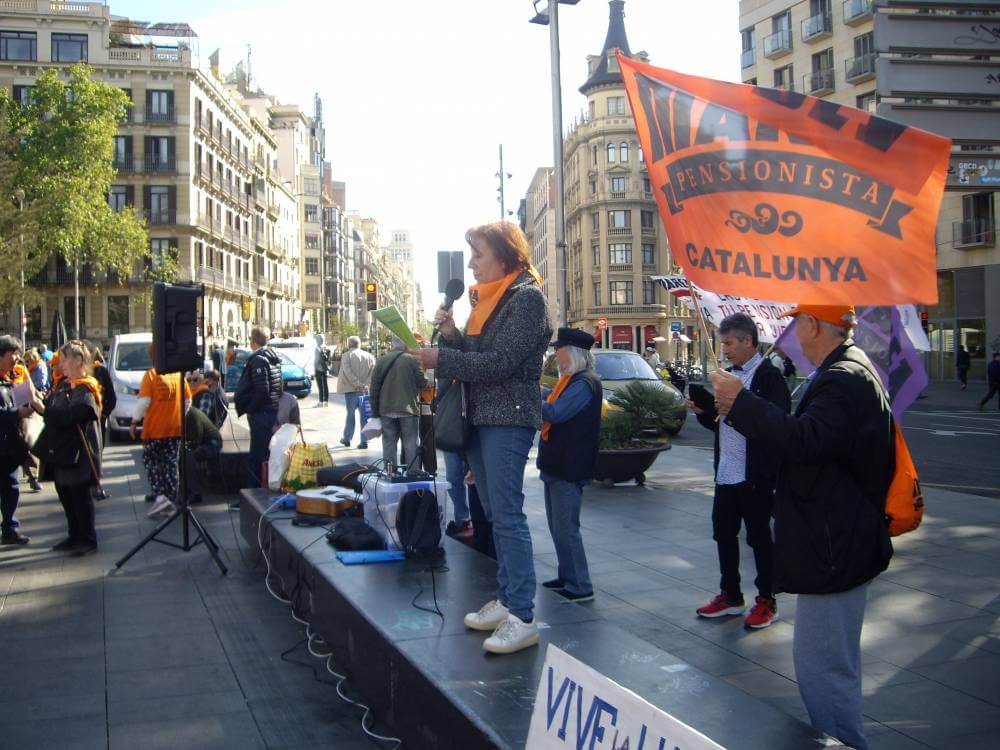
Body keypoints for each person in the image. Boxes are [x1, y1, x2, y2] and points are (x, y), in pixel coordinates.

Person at [711, 304, 893, 750]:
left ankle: (843, 743)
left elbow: (803, 441)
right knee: (829, 663)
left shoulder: (843, 378)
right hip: (840, 539)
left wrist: (742, 402)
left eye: (797, 323)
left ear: (813, 325)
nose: (792, 332)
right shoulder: (844, 370)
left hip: (834, 546)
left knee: (822, 666)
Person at [409, 221, 552, 655]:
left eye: (479, 255)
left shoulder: (526, 299)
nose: (471, 264)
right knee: (492, 512)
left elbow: (500, 363)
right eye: (470, 255)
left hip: (507, 418)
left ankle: (523, 615)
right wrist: (452, 337)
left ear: (506, 257)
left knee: (507, 516)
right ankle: (507, 599)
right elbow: (479, 357)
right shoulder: (486, 300)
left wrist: (442, 355)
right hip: (481, 417)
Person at [689, 313, 790, 629]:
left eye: (730, 343)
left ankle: (767, 600)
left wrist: (734, 409)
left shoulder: (769, 378)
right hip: (727, 471)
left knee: (759, 539)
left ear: (748, 341)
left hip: (755, 476)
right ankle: (730, 595)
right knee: (723, 534)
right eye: (723, 343)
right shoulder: (728, 375)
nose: (726, 350)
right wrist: (706, 412)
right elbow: (722, 426)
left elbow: (776, 426)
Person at [537, 328, 602, 603]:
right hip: (557, 464)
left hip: (568, 466)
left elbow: (555, 412)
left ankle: (579, 584)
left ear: (572, 353)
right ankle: (567, 575)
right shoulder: (569, 381)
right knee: (557, 526)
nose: (555, 354)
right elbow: (551, 398)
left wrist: (531, 396)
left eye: (559, 349)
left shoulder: (583, 384)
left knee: (566, 527)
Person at [44, 340, 102, 555]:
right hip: (62, 451)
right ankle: (74, 535)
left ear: (79, 360)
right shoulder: (64, 384)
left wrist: (46, 410)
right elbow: (54, 409)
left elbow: (76, 414)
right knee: (66, 494)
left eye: (65, 358)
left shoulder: (86, 387)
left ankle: (87, 539)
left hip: (80, 452)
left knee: (80, 496)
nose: (61, 363)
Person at [132, 345, 192, 517]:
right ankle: (171, 499)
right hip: (175, 428)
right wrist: (178, 416)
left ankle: (160, 498)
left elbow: (144, 402)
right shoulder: (178, 374)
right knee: (171, 464)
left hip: (154, 429)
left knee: (152, 464)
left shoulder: (151, 375)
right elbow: (188, 400)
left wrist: (135, 421)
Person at [233, 327, 282, 490]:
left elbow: (262, 390)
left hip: (261, 413)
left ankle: (253, 492)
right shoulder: (273, 357)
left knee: (257, 455)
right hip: (271, 410)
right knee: (267, 454)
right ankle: (265, 488)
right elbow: (278, 387)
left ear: (253, 341)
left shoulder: (259, 359)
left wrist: (251, 409)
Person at [0, 336, 38, 544]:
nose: (17, 358)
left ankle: (10, 528)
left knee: (11, 486)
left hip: (9, 445)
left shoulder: (10, 377)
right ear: (2, 354)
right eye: (13, 353)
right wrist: (16, 413)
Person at [370, 337, 427, 471]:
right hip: (408, 408)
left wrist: (375, 413)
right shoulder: (411, 360)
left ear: (392, 345)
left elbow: (374, 389)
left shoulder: (381, 361)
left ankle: (390, 472)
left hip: (386, 409)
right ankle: (413, 472)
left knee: (389, 442)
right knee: (410, 443)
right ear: (406, 346)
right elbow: (422, 382)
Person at [337, 335, 375, 449]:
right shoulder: (369, 356)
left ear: (349, 344)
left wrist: (358, 384)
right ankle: (364, 441)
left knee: (350, 414)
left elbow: (347, 372)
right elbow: (373, 373)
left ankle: (347, 438)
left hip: (351, 389)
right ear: (359, 344)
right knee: (364, 415)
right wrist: (365, 385)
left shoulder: (346, 356)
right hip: (364, 390)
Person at [183, 402, 222, 504]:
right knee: (185, 455)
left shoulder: (192, 415)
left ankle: (194, 493)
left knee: (190, 457)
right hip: (204, 442)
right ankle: (186, 488)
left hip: (213, 443)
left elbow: (196, 439)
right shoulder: (188, 413)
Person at [91, 346, 117, 443]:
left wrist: (104, 414)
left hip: (99, 418)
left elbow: (112, 397)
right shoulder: (80, 372)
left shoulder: (102, 371)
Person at [314, 334, 330, 407]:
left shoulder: (317, 348)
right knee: (325, 386)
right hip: (325, 369)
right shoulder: (326, 348)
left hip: (319, 369)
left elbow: (317, 360)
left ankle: (320, 402)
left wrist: (315, 365)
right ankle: (326, 401)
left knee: (320, 386)